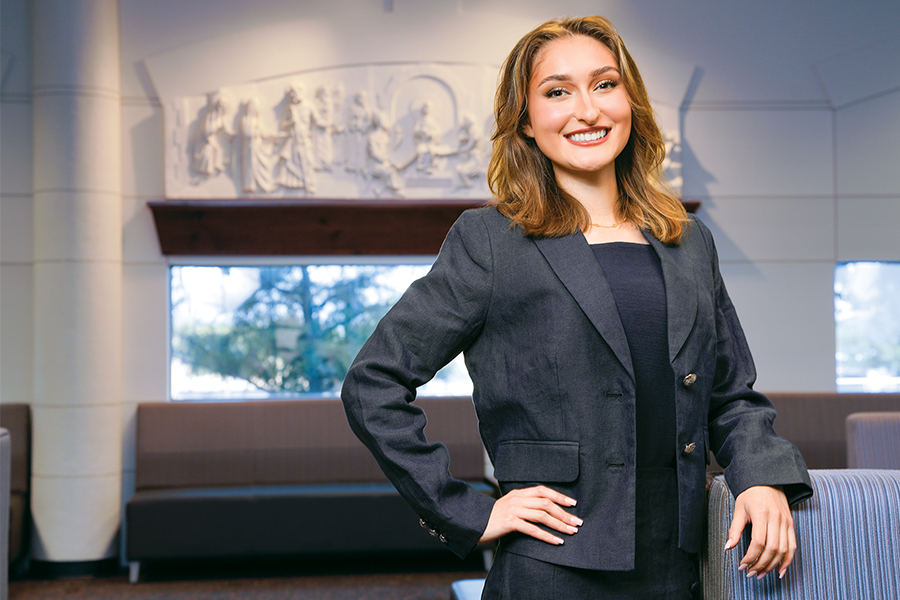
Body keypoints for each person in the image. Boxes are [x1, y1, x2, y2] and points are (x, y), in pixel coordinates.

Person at [341, 15, 812, 600]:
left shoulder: (687, 240)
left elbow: (731, 396)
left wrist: (761, 478)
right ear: (527, 123)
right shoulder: (490, 241)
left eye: (605, 85)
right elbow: (373, 383)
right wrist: (464, 510)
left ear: (631, 103)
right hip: (553, 563)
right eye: (557, 92)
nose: (587, 110)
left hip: (683, 561)